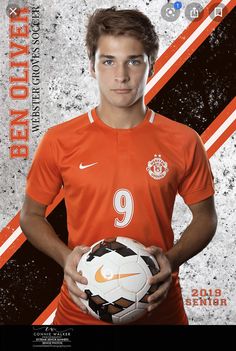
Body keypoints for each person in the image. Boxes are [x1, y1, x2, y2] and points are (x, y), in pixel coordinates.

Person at [20, 7, 217, 325]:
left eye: (134, 61)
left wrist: (171, 258)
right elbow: (30, 216)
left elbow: (205, 219)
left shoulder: (184, 140)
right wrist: (65, 256)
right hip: (79, 314)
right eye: (108, 61)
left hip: (160, 313)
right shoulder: (60, 140)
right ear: (92, 67)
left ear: (150, 66)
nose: (121, 75)